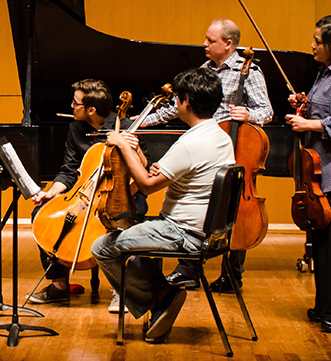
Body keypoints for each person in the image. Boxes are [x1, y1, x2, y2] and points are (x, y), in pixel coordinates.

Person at [92, 67, 236, 343]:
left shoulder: (191, 142)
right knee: (131, 234)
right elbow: (169, 173)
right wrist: (139, 155)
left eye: (176, 99)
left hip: (184, 233)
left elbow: (146, 184)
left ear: (186, 102)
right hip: (211, 232)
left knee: (103, 246)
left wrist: (122, 145)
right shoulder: (219, 136)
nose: (174, 104)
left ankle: (163, 296)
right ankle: (160, 298)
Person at [142, 18, 273, 291]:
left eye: (210, 40)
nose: (204, 44)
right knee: (198, 204)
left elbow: (266, 111)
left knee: (233, 206)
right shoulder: (204, 70)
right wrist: (145, 120)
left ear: (228, 44)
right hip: (204, 149)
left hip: (234, 149)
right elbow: (180, 106)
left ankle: (232, 274)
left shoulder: (248, 72)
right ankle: (188, 268)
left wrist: (250, 114)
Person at [28, 79, 148, 312]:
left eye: (75, 103)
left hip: (123, 194)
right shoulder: (76, 128)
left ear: (91, 110)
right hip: (83, 193)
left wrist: (133, 148)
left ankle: (120, 289)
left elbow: (142, 172)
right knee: (40, 214)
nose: (71, 107)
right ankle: (59, 286)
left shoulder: (127, 126)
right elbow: (70, 169)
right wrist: (51, 192)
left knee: (118, 220)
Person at [286, 14, 331, 334]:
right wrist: (305, 104)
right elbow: (323, 109)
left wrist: (309, 124)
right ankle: (326, 305)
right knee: (323, 242)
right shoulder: (323, 73)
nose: (312, 45)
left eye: (317, 41)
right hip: (321, 169)